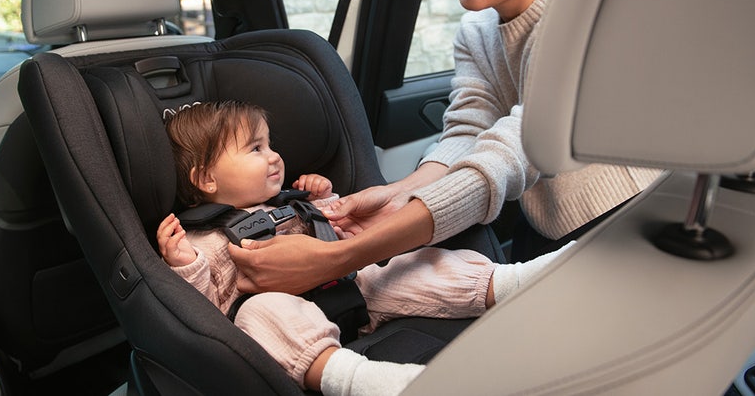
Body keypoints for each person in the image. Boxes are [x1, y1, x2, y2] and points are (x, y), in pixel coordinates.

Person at [228, 0, 659, 295]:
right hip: (546, 222)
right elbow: (469, 132)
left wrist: (343, 256)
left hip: (627, 219)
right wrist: (398, 193)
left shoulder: (581, 20)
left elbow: (515, 149)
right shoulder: (477, 31)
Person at [156, 101, 567, 396]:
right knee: (261, 316)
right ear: (207, 180)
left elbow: (339, 226)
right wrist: (185, 266)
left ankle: (512, 282)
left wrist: (324, 198)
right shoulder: (205, 239)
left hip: (354, 285)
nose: (275, 156)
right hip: (291, 315)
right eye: (255, 149)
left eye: (270, 143)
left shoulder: (288, 202)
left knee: (407, 265)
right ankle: (358, 379)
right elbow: (205, 311)